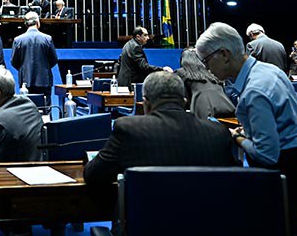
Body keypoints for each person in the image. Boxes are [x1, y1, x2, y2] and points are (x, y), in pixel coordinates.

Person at [195, 22, 297, 236]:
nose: (205, 67)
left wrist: (239, 137)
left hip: (281, 176)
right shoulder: (272, 71)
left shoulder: (253, 92)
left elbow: (268, 155)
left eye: (206, 60)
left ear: (224, 54)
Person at [84, 72, 238, 186]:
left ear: (145, 103)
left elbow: (93, 175)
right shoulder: (218, 133)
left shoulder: (128, 129)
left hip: (147, 228)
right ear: (184, 102)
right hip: (210, 227)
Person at [174, 48, 235, 119]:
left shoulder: (181, 73)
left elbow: (183, 98)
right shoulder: (211, 72)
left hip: (203, 110)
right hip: (227, 106)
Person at [10, 12, 58, 103]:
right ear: (37, 22)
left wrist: (24, 69)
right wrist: (45, 67)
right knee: (45, 109)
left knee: (27, 110)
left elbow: (14, 61)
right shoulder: (48, 38)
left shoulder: (18, 40)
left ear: (26, 24)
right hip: (44, 79)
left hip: (25, 80)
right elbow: (54, 59)